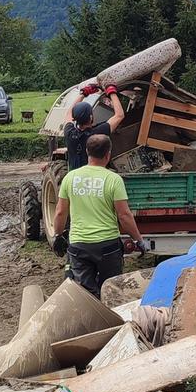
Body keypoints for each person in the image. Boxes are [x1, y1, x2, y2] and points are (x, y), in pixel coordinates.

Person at [52, 134, 146, 298]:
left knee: (86, 295)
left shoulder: (70, 178)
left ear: (87, 152)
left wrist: (58, 235)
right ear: (108, 154)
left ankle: (93, 321)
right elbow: (124, 215)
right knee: (111, 292)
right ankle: (112, 321)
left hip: (79, 246)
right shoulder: (114, 179)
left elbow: (60, 212)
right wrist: (138, 239)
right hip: (108, 247)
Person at [63, 84, 125, 170]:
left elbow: (68, 114)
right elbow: (120, 115)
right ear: (91, 117)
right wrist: (111, 92)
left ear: (74, 118)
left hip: (75, 178)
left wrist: (83, 94)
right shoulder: (98, 134)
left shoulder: (69, 133)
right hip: (93, 178)